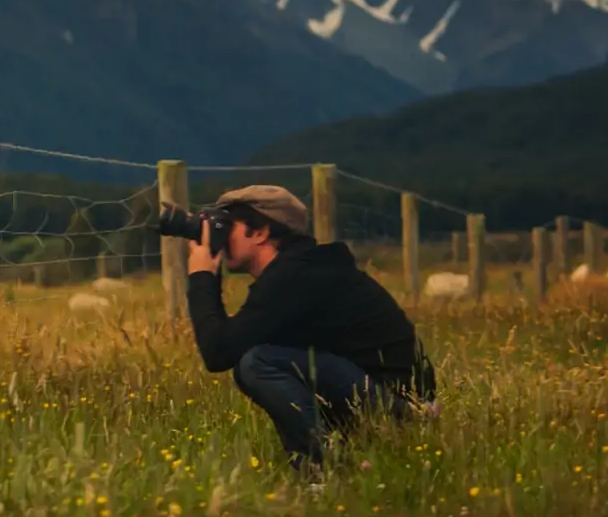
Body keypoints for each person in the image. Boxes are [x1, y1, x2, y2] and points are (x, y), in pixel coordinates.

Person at [182, 184, 436, 478]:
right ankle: (338, 454)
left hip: (399, 402)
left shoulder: (295, 276)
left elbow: (218, 353)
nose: (219, 236)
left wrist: (202, 275)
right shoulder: (303, 269)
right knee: (257, 359)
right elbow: (228, 345)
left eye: (227, 226)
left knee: (257, 363)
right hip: (381, 392)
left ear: (261, 232)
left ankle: (317, 471)